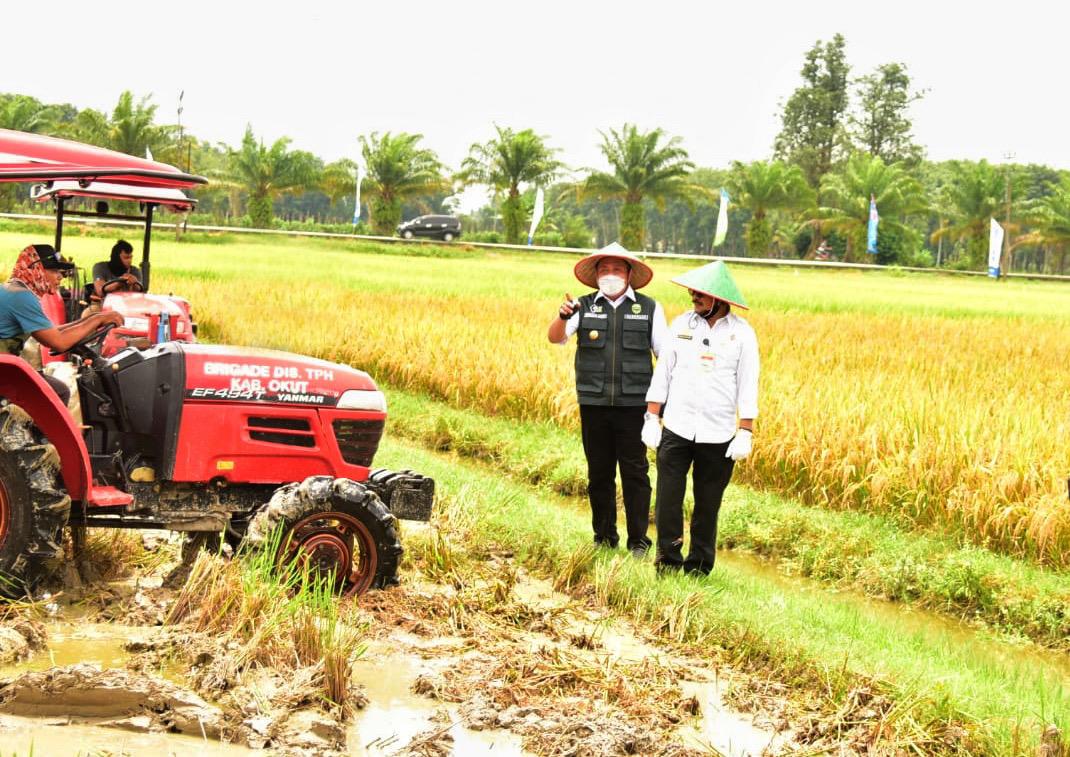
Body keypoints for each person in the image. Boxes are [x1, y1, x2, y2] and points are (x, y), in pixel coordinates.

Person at [547, 242, 668, 556]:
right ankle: (603, 537)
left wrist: (658, 407)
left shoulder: (649, 308)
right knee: (599, 473)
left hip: (634, 405)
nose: (610, 275)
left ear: (629, 274)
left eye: (617, 269)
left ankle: (639, 540)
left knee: (635, 473)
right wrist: (562, 316)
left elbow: (665, 357)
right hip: (594, 403)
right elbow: (556, 337)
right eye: (604, 269)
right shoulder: (583, 306)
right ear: (596, 274)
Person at [642, 261, 759, 575]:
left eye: (701, 292)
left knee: (707, 504)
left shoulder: (742, 335)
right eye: (693, 290)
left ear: (720, 299)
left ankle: (698, 568)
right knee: (668, 497)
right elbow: (663, 373)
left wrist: (745, 430)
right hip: (677, 427)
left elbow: (748, 384)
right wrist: (652, 417)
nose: (693, 295)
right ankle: (667, 561)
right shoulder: (681, 325)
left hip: (718, 433)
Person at [0, 244, 124, 406]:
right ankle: (26, 430)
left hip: (5, 367)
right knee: (58, 392)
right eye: (54, 271)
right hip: (4, 372)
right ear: (35, 269)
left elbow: (52, 333)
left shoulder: (16, 289)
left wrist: (92, 318)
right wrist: (97, 320)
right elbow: (58, 341)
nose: (60, 277)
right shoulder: (22, 297)